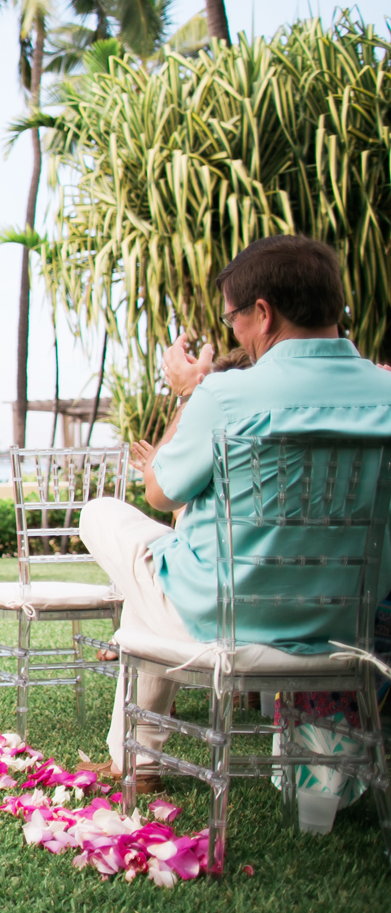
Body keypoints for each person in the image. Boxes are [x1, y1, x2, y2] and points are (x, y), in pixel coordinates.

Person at [78, 235, 391, 779]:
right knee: (151, 585)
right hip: (346, 624)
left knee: (104, 517)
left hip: (223, 619)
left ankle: (139, 759)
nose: (237, 337)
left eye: (232, 321)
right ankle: (141, 755)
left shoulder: (226, 397)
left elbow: (159, 493)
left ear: (263, 313)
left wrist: (190, 393)